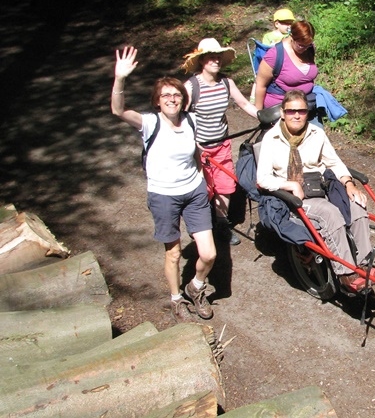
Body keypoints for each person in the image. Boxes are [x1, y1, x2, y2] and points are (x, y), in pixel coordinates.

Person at [110, 46, 216, 323]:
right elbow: (118, 110)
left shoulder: (191, 120)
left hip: (193, 191)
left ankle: (196, 287)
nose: (172, 99)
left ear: (183, 100)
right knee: (174, 252)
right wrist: (120, 78)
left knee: (209, 253)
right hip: (163, 195)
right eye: (165, 95)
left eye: (176, 94)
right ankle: (176, 298)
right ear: (157, 101)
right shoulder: (149, 123)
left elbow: (194, 149)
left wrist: (202, 155)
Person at [256, 90, 375, 293]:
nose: (296, 115)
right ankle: (346, 274)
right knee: (329, 213)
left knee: (357, 206)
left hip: (320, 186)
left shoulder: (317, 134)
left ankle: (364, 263)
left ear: (307, 112)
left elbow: (334, 162)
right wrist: (290, 185)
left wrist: (350, 184)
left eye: (301, 111)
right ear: (283, 113)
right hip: (293, 196)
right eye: (291, 111)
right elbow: (262, 178)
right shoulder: (271, 139)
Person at [181, 38, 259, 246]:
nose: (215, 61)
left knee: (225, 186)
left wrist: (264, 117)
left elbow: (243, 103)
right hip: (199, 148)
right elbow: (181, 118)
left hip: (222, 143)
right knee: (203, 189)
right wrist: (191, 144)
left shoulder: (226, 82)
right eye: (211, 57)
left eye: (218, 57)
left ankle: (221, 224)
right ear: (202, 61)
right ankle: (200, 227)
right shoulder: (191, 87)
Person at [253, 21, 320, 125]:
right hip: (281, 110)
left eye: (308, 45)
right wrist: (259, 113)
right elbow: (260, 85)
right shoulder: (274, 55)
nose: (305, 48)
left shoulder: (309, 49)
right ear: (292, 37)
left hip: (306, 106)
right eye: (301, 45)